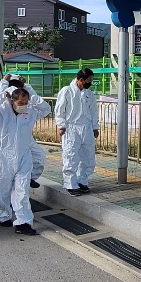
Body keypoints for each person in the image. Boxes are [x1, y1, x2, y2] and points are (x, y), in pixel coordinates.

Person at [0, 74, 51, 235]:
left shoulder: (30, 111)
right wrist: (3, 87)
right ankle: (2, 215)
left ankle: (23, 222)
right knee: (2, 190)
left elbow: (46, 109)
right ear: (11, 100)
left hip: (23, 156)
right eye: (20, 103)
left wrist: (28, 89)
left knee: (22, 191)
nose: (24, 106)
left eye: (26, 102)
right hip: (4, 157)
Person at [55, 68, 98, 196]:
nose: (90, 83)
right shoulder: (67, 91)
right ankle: (70, 184)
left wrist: (95, 127)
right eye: (88, 81)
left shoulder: (89, 94)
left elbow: (93, 111)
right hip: (71, 128)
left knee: (88, 157)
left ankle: (82, 181)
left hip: (87, 128)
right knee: (71, 156)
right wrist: (61, 125)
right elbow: (60, 110)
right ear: (81, 80)